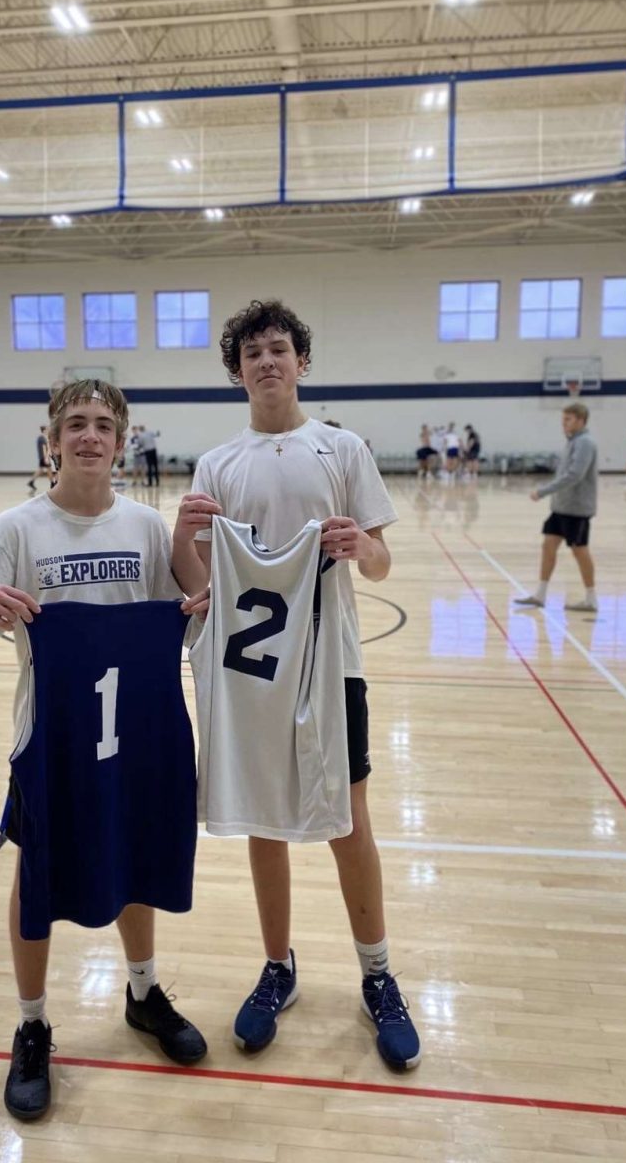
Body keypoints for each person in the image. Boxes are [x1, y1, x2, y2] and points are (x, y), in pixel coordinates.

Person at [0, 379, 206, 1122]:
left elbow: (183, 631)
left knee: (133, 858)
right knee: (37, 869)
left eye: (102, 426)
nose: (89, 436)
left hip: (135, 731)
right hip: (51, 734)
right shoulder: (17, 529)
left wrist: (202, 582)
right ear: (52, 439)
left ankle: (143, 992)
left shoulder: (148, 529)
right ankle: (31, 1025)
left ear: (122, 441)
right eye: (75, 425)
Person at [171, 298, 421, 1071]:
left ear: (301, 362)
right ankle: (278, 966)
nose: (267, 362)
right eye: (253, 354)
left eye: (279, 349)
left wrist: (360, 550)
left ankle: (378, 974)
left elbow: (382, 561)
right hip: (251, 672)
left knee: (349, 818)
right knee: (264, 822)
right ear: (237, 372)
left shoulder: (341, 450)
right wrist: (183, 539)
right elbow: (198, 583)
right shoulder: (216, 465)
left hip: (333, 661)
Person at [514, 402, 599, 613]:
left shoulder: (585, 443)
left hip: (576, 509)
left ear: (581, 421)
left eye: (568, 419)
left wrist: (543, 491)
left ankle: (591, 598)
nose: (564, 423)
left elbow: (574, 475)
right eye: (563, 419)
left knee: (579, 551)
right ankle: (540, 595)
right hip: (561, 508)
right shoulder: (572, 442)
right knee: (548, 545)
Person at [27, 425, 52, 491]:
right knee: (49, 469)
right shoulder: (42, 438)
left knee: (41, 470)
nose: (48, 430)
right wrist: (46, 458)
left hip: (42, 457)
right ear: (44, 430)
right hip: (43, 457)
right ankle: (52, 483)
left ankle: (31, 481)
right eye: (47, 429)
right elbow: (44, 448)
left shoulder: (41, 438)